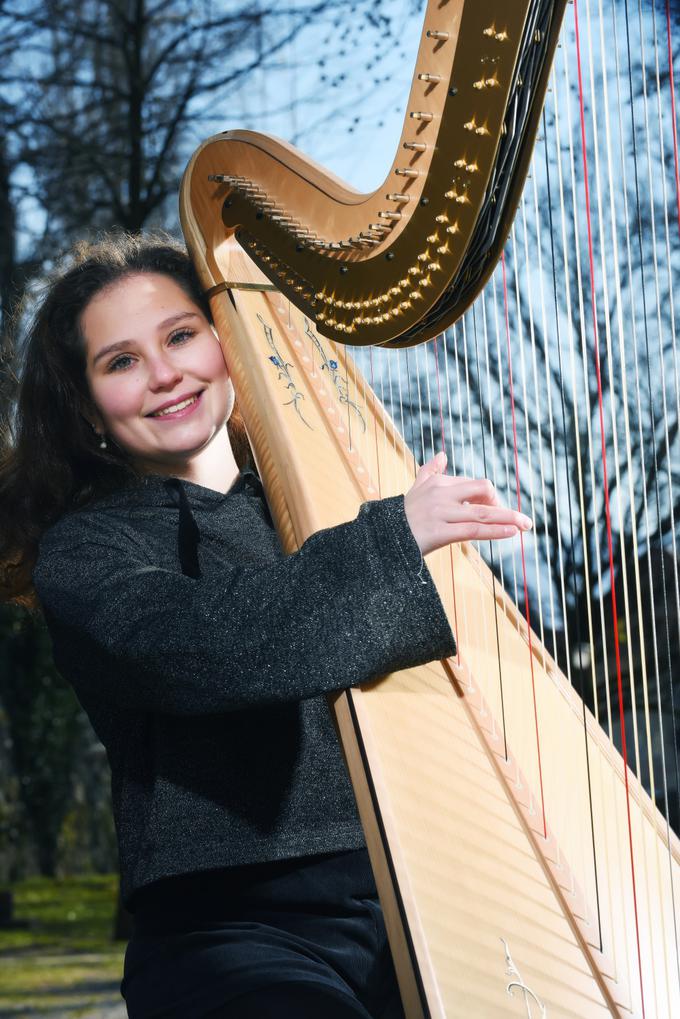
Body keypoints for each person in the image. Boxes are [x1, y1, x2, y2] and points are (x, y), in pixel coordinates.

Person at [0, 233, 532, 1018]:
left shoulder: (333, 504)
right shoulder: (85, 551)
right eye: (121, 361)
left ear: (228, 343)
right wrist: (388, 542)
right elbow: (207, 647)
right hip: (230, 934)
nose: (165, 373)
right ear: (87, 410)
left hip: (427, 908)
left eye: (180, 336)